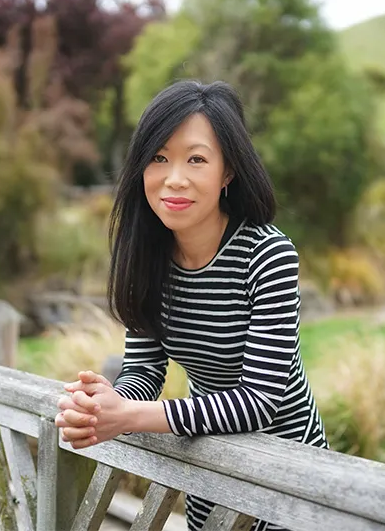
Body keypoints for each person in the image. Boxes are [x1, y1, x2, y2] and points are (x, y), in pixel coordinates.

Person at [55, 79, 328, 531]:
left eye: (196, 159)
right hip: (210, 475)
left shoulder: (268, 254)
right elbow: (144, 371)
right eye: (159, 158)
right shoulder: (147, 255)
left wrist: (130, 417)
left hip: (288, 481)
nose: (174, 178)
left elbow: (259, 400)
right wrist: (104, 405)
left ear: (228, 172)